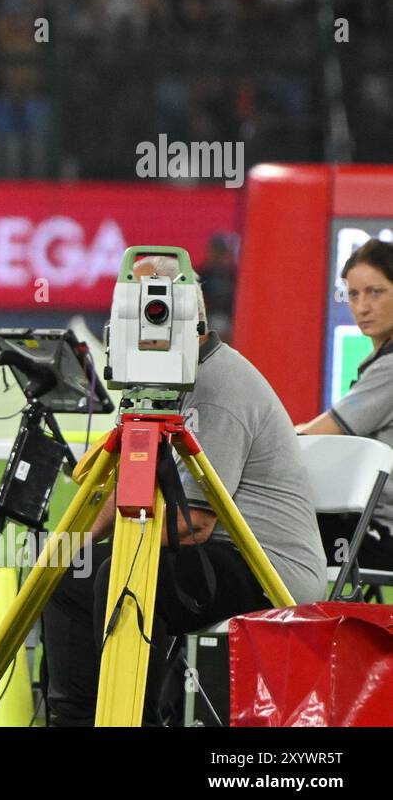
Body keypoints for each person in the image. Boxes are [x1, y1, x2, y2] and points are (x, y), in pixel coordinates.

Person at [42, 255, 327, 726]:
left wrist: (109, 548)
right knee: (71, 574)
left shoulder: (215, 385)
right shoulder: (162, 382)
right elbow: (128, 485)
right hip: (215, 552)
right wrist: (74, 545)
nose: (142, 330)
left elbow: (197, 521)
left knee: (127, 571)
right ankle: (74, 720)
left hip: (267, 565)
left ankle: (133, 717)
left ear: (190, 321)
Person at [297, 239, 393, 571]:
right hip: (367, 525)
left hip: (378, 533)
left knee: (268, 529)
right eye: (353, 294)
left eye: (375, 292)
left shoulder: (390, 367)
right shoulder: (380, 361)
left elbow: (319, 435)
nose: (362, 306)